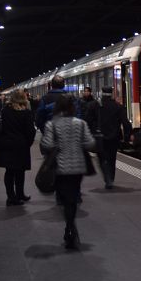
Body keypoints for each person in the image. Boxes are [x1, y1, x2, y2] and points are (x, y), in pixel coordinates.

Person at [41, 95, 96, 249]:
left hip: (60, 167)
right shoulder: (81, 123)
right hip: (78, 167)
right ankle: (70, 228)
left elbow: (46, 145)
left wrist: (58, 146)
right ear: (72, 108)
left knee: (65, 200)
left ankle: (70, 228)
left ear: (57, 108)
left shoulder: (51, 125)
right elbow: (90, 143)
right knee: (73, 197)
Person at [0, 90, 36, 206]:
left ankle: (11, 197)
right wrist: (28, 143)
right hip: (20, 146)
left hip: (6, 144)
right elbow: (30, 131)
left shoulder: (5, 111)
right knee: (20, 171)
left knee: (9, 172)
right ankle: (20, 194)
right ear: (24, 98)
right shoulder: (26, 113)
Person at [89, 86, 132, 189]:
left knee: (102, 158)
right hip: (114, 137)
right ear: (112, 93)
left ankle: (107, 178)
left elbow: (89, 120)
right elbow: (126, 123)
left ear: (101, 92)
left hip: (99, 137)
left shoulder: (94, 105)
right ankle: (111, 178)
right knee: (112, 159)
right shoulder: (118, 106)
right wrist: (127, 137)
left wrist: (92, 132)